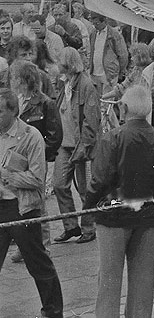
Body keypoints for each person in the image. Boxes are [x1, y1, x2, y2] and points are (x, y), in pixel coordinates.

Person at [84, 84, 154, 318]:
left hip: (113, 217)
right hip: (148, 216)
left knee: (109, 277)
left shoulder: (113, 138)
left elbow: (99, 180)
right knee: (143, 277)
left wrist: (89, 209)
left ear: (124, 108)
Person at [0, 88, 65, 318]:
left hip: (22, 207)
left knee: (37, 262)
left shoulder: (30, 136)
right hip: (0, 205)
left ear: (13, 111)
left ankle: (53, 311)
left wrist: (9, 177)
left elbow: (38, 179)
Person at [52, 46, 100, 244]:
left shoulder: (86, 85)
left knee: (85, 190)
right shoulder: (64, 84)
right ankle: (70, 226)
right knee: (59, 184)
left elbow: (91, 120)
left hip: (82, 144)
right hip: (65, 143)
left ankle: (89, 228)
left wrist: (86, 145)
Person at [86, 12, 129, 94]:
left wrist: (120, 71)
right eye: (93, 23)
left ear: (104, 21)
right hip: (94, 73)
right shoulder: (93, 33)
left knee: (107, 101)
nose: (95, 26)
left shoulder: (114, 34)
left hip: (109, 74)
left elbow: (123, 55)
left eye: (97, 23)